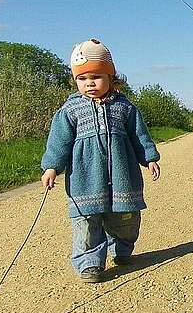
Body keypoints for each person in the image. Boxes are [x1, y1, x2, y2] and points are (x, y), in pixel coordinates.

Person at [41, 38, 160, 283]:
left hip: (122, 175)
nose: (89, 84)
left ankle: (121, 249)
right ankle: (89, 263)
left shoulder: (125, 107)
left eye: (96, 77)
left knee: (125, 220)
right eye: (82, 79)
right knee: (86, 222)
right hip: (85, 179)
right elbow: (59, 141)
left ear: (111, 77)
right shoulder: (70, 110)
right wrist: (52, 166)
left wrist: (149, 158)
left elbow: (139, 135)